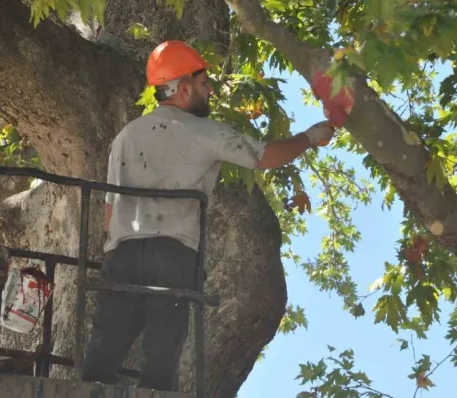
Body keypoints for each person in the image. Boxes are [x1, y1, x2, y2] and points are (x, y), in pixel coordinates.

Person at [81, 40, 335, 391]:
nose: (211, 90)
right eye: (204, 84)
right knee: (162, 350)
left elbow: (110, 211)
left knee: (105, 345)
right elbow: (266, 155)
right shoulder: (203, 131)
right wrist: (309, 137)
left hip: (121, 252)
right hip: (172, 252)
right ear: (183, 89)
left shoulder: (125, 137)